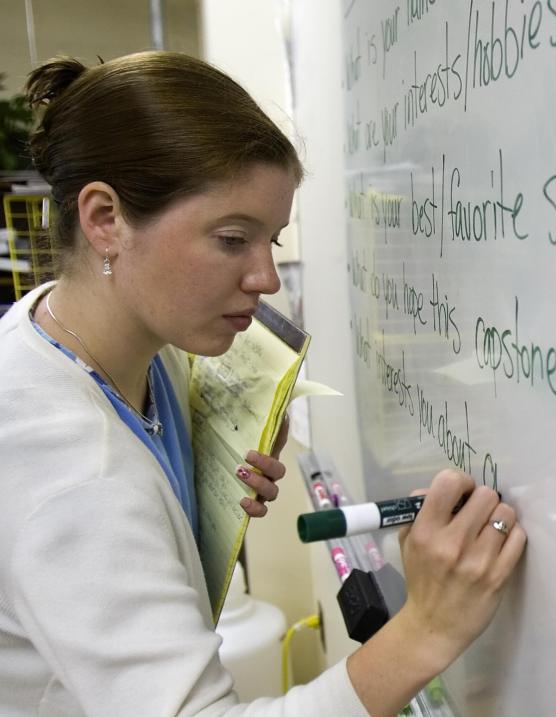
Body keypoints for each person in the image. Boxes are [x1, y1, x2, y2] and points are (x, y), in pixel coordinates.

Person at [0, 51, 526, 716]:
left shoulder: (82, 333)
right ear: (104, 218)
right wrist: (428, 627)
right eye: (230, 239)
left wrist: (207, 460)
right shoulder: (69, 471)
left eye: (271, 240)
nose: (266, 277)